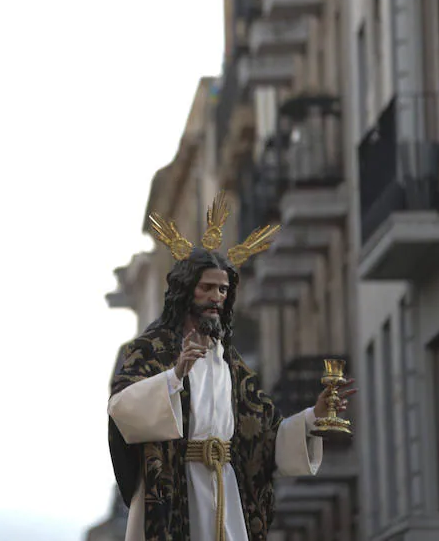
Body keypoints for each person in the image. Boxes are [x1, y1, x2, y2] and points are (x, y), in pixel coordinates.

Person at [107, 193, 356, 541]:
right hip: (175, 497)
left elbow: (263, 439)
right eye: (207, 288)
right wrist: (174, 376)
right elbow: (121, 411)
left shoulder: (230, 363)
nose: (217, 297)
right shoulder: (150, 350)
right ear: (185, 291)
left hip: (226, 489)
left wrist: (313, 418)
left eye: (223, 290)